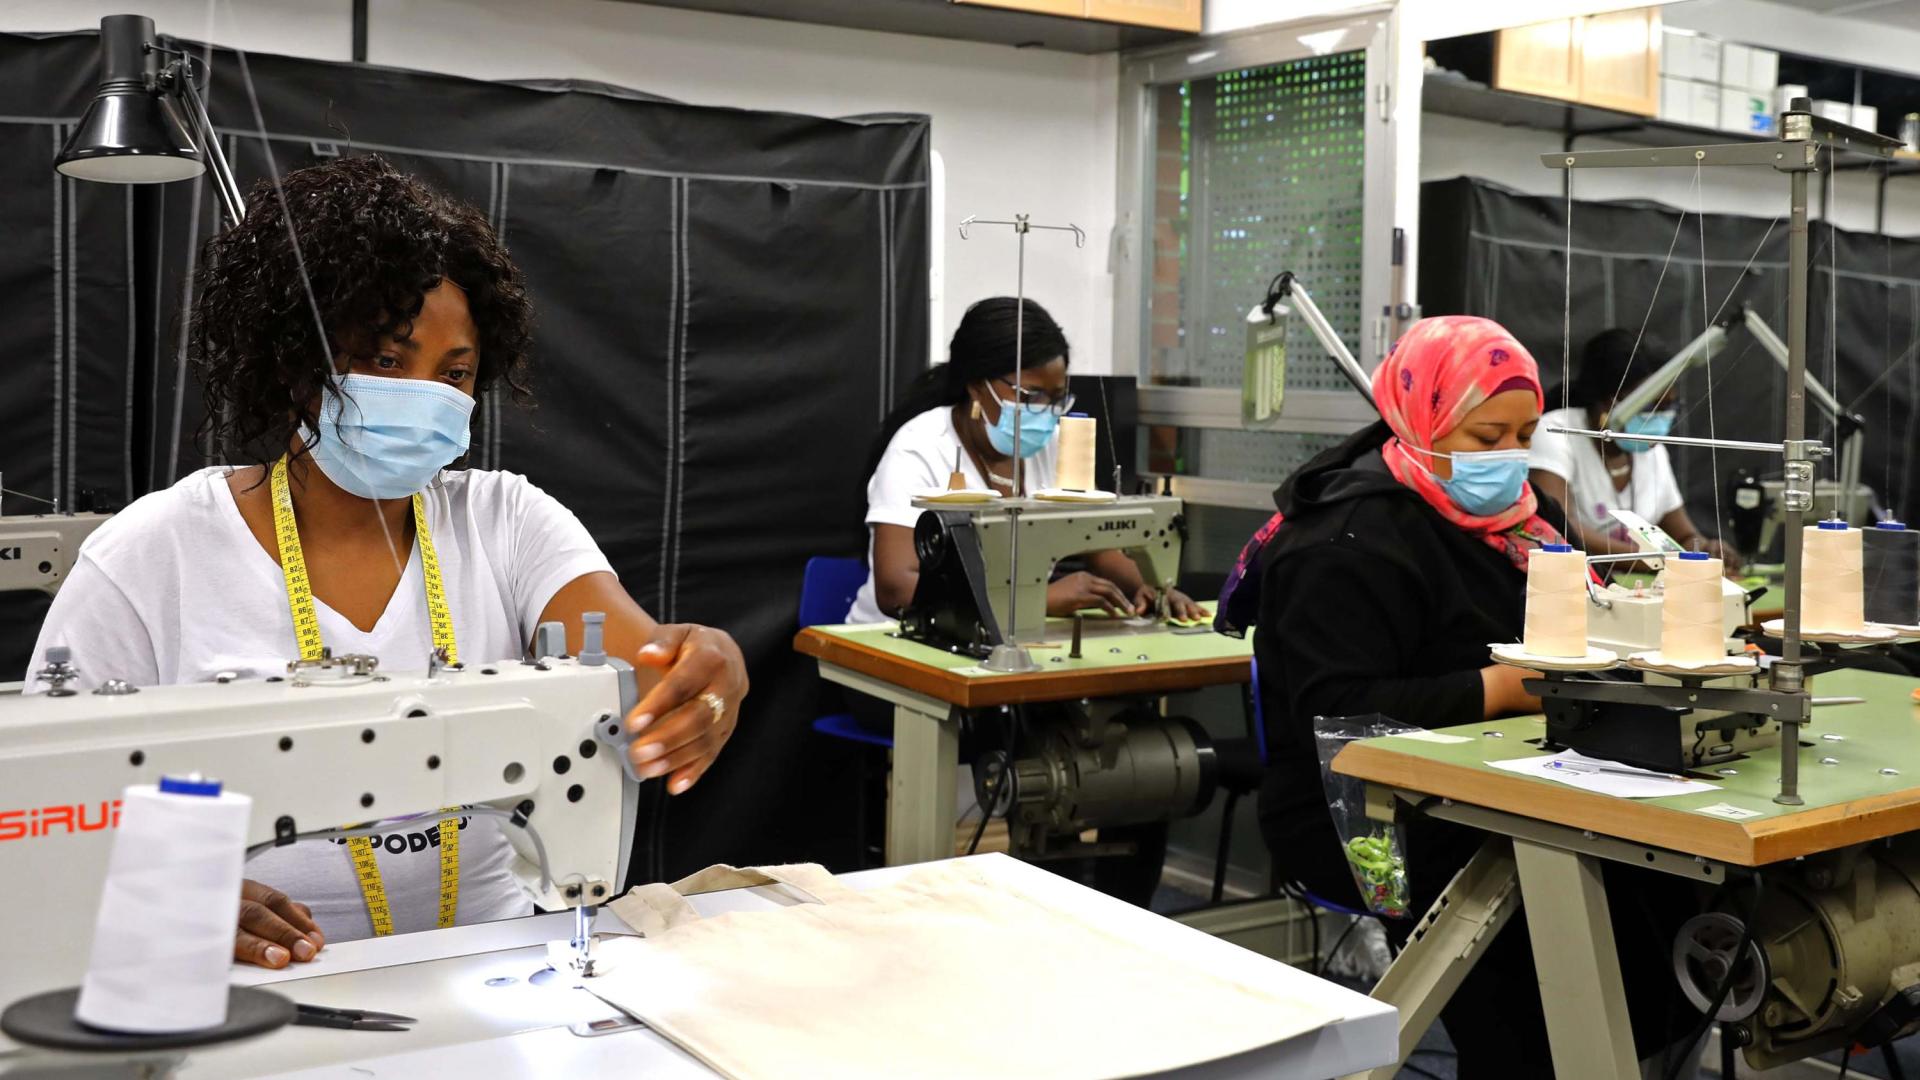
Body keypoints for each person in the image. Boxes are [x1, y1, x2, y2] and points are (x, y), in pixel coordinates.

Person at [25, 156, 748, 970]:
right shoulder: (152, 555)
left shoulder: (506, 521)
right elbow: (37, 811)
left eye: (455, 373)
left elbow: (646, 664)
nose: (427, 395)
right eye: (385, 360)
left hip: (493, 955)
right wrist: (162, 891)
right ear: (298, 362)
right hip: (258, 979)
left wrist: (702, 666)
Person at [1218, 315, 1693, 1075]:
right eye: (1485, 436)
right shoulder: (1344, 540)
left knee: (1665, 887)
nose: (1508, 455)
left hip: (1493, 777)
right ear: (1422, 418)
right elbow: (1336, 711)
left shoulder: (1520, 526)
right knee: (1552, 931)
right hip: (1362, 810)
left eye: (1525, 435)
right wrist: (1495, 691)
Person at [849, 296, 1201, 625]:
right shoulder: (920, 449)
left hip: (1003, 634)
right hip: (892, 643)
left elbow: (1100, 544)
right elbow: (895, 589)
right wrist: (1040, 600)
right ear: (977, 386)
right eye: (1030, 395)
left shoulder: (1055, 445)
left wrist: (1153, 587)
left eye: (1057, 397)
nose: (1045, 411)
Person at [1530, 328, 1737, 567]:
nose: (1661, 417)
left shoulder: (1651, 451)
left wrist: (1706, 550)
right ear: (1608, 401)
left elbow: (1684, 536)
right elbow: (1559, 526)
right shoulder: (1556, 433)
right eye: (1650, 406)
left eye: (1669, 406)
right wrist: (1654, 560)